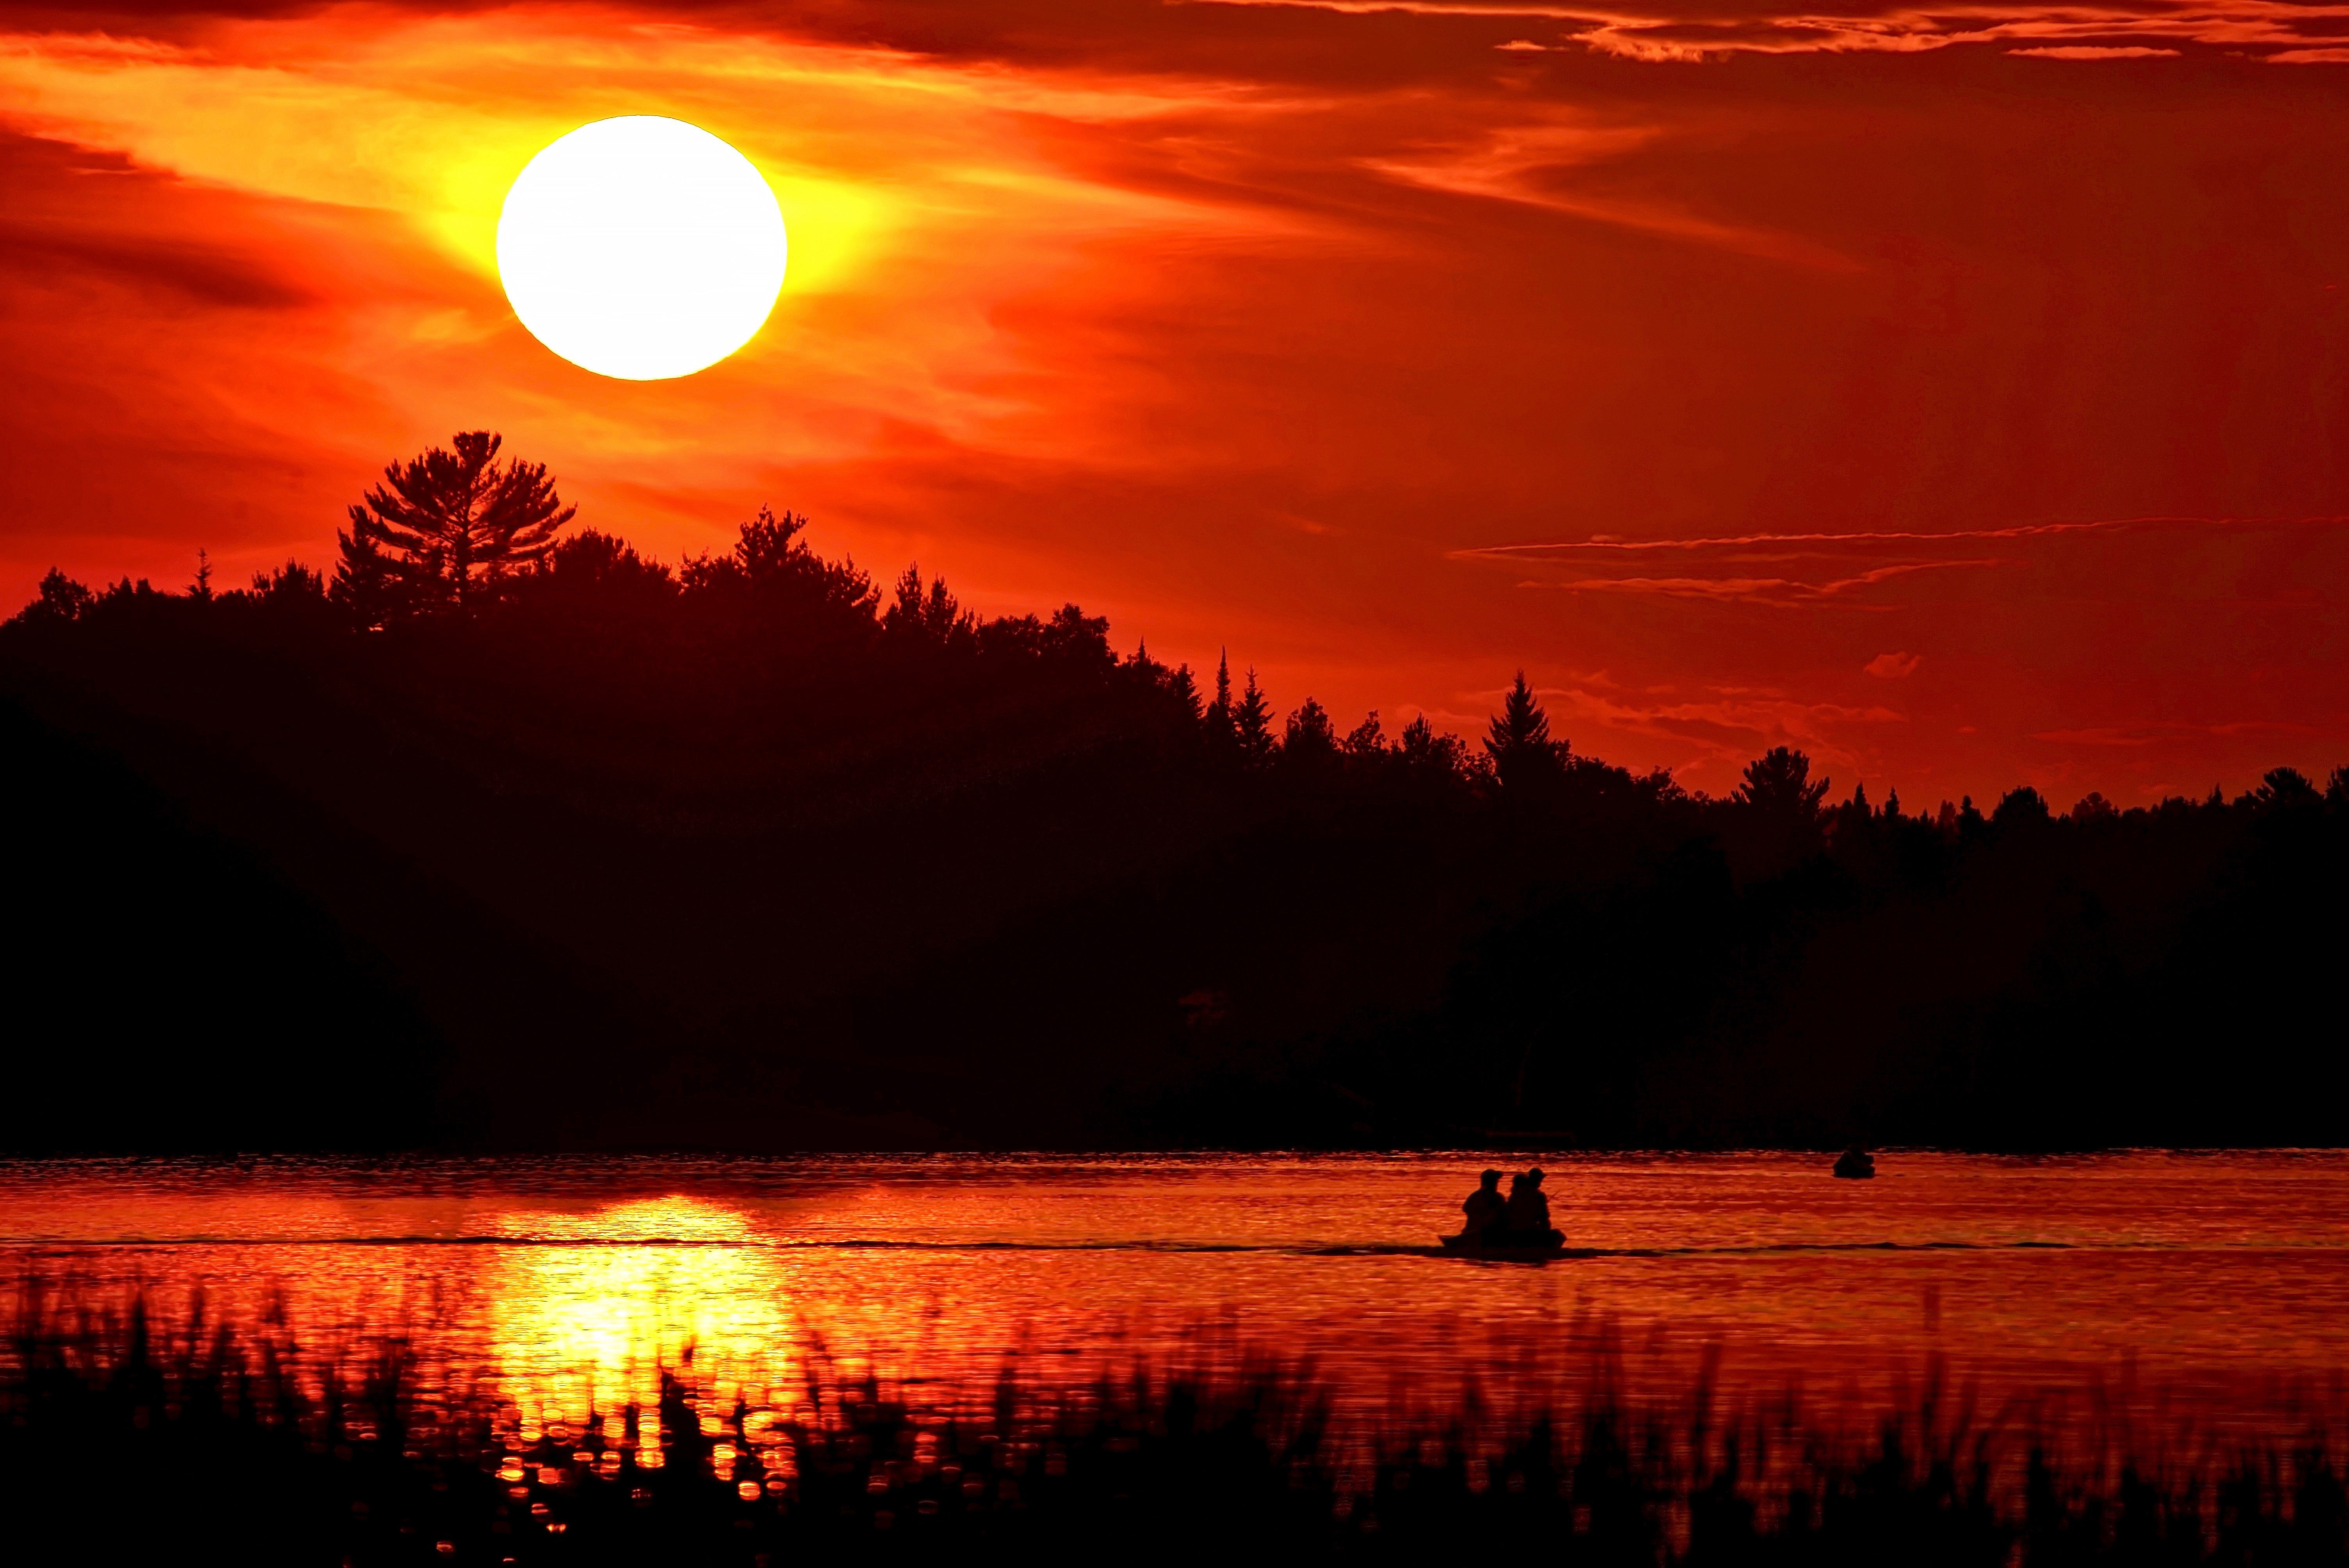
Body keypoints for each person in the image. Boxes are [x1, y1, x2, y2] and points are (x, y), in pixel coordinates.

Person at [1499, 1168, 1562, 1248]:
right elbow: (1544, 1218)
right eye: (1540, 1180)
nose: (1541, 1183)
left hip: (1512, 1232)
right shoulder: (1539, 1195)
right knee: (1560, 1236)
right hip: (1529, 1232)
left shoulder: (1514, 1195)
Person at [1460, 1169, 1506, 1242]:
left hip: (1473, 1232)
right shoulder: (1497, 1198)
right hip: (1485, 1234)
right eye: (1495, 1181)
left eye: (1496, 1181)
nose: (1497, 1184)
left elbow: (1466, 1209)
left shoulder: (1474, 1196)